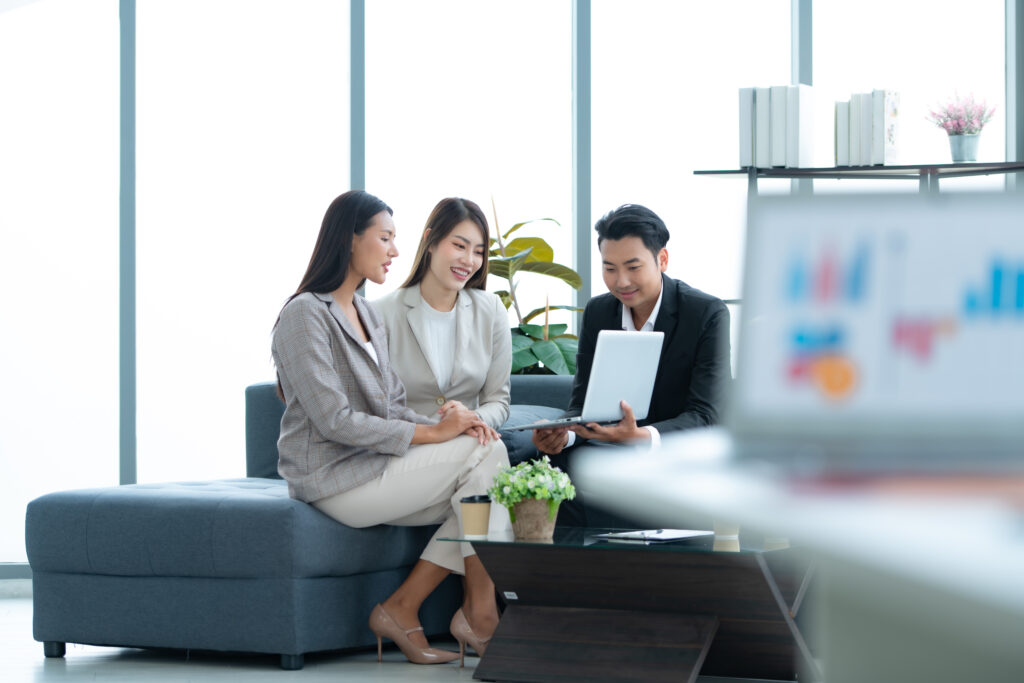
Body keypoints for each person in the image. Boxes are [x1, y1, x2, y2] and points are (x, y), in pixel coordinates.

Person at [272, 190, 508, 666]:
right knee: (487, 460)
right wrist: (434, 435)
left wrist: (455, 424)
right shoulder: (305, 314)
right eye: (385, 238)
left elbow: (394, 406)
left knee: (484, 468)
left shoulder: (365, 314)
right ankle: (474, 615)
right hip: (335, 480)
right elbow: (334, 420)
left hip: (376, 467)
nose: (395, 252)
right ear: (350, 238)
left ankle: (405, 608)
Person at [531, 203, 731, 524]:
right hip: (610, 447)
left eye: (633, 267)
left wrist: (639, 436)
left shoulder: (706, 313)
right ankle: (577, 567)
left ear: (662, 260)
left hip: (673, 448)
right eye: (609, 268)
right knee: (547, 466)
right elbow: (583, 404)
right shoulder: (598, 312)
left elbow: (706, 415)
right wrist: (564, 434)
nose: (621, 281)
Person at [375, 197, 511, 442]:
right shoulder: (381, 313)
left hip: (466, 441)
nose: (469, 261)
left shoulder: (491, 310)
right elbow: (374, 407)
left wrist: (471, 419)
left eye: (479, 252)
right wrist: (434, 431)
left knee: (490, 449)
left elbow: (498, 402)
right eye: (460, 246)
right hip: (409, 445)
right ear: (431, 241)